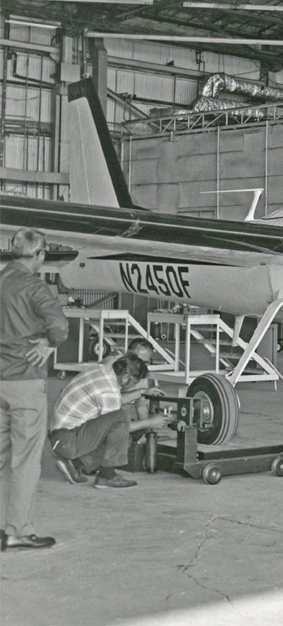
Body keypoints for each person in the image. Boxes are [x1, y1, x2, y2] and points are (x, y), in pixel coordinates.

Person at [0, 228, 69, 552]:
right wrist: (49, 343)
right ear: (39, 255)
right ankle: (18, 532)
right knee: (25, 461)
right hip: (25, 382)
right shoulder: (33, 286)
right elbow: (60, 326)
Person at [49, 355, 169, 489]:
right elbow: (119, 424)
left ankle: (76, 465)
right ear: (125, 378)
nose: (134, 385)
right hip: (68, 440)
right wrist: (150, 422)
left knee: (125, 429)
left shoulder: (102, 370)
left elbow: (115, 400)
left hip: (62, 436)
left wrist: (142, 392)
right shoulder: (108, 390)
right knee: (122, 421)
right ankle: (107, 476)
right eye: (135, 382)